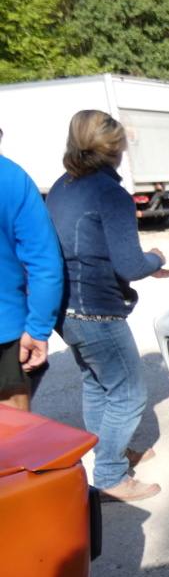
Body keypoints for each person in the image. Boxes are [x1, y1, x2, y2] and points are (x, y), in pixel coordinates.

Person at [45, 110, 169, 502]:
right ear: (116, 149)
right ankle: (110, 476)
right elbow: (131, 265)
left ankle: (109, 453)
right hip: (96, 311)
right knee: (129, 394)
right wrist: (154, 258)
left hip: (64, 310)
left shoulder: (61, 187)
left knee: (97, 386)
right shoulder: (111, 194)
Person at [0, 153, 64, 412]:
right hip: (6, 330)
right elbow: (44, 260)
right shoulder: (11, 176)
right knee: (13, 441)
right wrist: (38, 328)